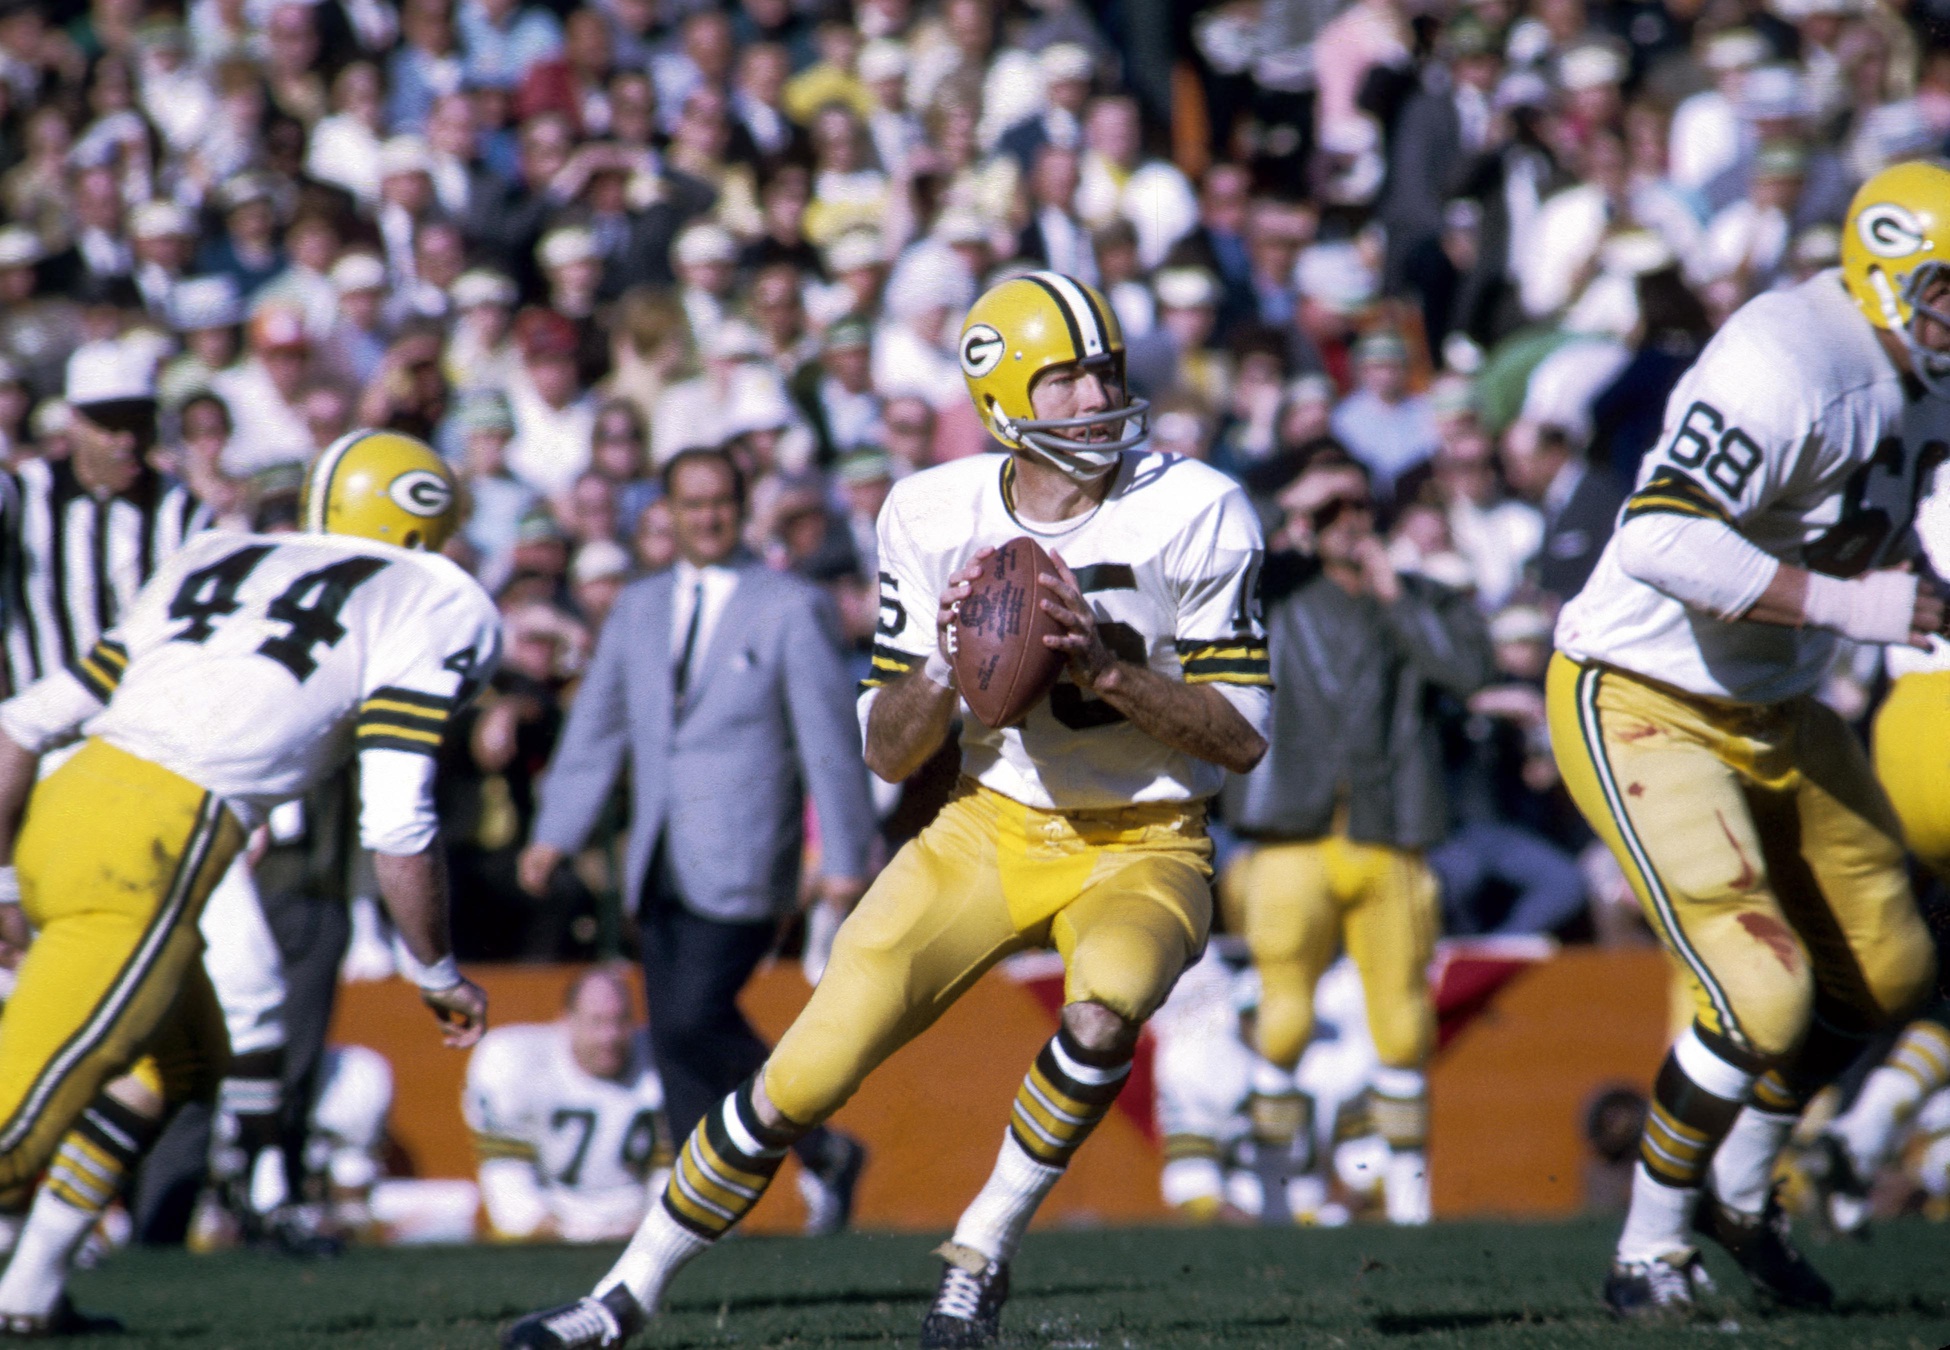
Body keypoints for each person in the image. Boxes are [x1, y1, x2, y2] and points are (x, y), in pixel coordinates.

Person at [503, 270, 1270, 1350]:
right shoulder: (930, 509)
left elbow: (1241, 736)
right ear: (1003, 396)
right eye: (1069, 377)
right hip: (990, 823)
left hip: (1148, 839)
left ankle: (979, 1251)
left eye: (1108, 369)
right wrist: (955, 671)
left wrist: (1104, 672)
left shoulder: (1197, 505)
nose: (1099, 391)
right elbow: (886, 744)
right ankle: (623, 1295)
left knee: (1107, 1005)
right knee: (800, 1074)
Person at [1545, 160, 1947, 1318]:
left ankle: (1736, 1187)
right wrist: (1856, 608)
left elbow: (1876, 517)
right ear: (1882, 279)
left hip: (1775, 701)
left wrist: (1902, 582)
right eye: (1944, 291)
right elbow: (1663, 537)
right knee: (1762, 995)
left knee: (1893, 967)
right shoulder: (1791, 357)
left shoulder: (1921, 375)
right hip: (1641, 691)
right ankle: (1647, 1251)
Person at [0, 430, 499, 1331]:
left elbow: (22, 725)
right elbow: (395, 822)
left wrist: (3, 879)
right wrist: (436, 971)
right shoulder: (428, 595)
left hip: (70, 803)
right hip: (158, 841)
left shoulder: (217, 552)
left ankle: (27, 1295)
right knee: (14, 1131)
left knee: (180, 1060)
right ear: (424, 527)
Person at [516, 446, 878, 1248]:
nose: (707, 516)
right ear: (667, 513)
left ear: (740, 508)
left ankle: (818, 1144)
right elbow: (597, 729)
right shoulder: (637, 609)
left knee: (689, 1022)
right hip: (656, 857)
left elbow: (827, 740)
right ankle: (698, 1218)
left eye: (720, 502)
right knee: (678, 1042)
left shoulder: (791, 606)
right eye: (691, 503)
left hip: (749, 853)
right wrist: (554, 834)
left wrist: (850, 853)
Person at [1221, 443, 1492, 1228]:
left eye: (1357, 508)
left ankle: (1408, 1200)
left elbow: (1469, 675)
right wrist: (1288, 509)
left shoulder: (1421, 597)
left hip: (1390, 831)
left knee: (1405, 1025)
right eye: (1329, 511)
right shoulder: (1274, 589)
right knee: (1284, 1021)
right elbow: (1224, 561)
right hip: (1288, 833)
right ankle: (1275, 1194)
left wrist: (1392, 591)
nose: (1346, 525)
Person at [464, 967, 671, 1242]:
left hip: (641, 1224)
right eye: (596, 1022)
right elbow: (507, 1177)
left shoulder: (666, 1063)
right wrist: (545, 1226)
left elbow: (672, 1171)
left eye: (621, 1021)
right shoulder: (515, 1061)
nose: (609, 1037)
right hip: (550, 1225)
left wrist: (657, 1225)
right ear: (566, 1021)